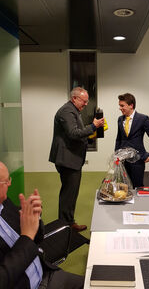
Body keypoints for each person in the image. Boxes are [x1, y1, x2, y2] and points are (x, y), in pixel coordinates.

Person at [0, 161, 84, 289]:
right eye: (6, 182)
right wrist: (27, 236)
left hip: (46, 274)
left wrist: (35, 218)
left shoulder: (4, 204)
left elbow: (38, 239)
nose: (10, 184)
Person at [49, 87, 104, 232]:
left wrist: (92, 132)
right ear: (74, 98)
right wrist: (93, 126)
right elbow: (73, 133)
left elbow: (77, 133)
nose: (86, 104)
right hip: (67, 160)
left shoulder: (73, 111)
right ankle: (64, 226)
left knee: (71, 193)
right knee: (68, 194)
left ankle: (69, 222)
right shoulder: (67, 111)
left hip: (72, 158)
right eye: (84, 101)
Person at [115, 93, 149, 188]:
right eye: (119, 105)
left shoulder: (143, 119)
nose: (120, 108)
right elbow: (118, 139)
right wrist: (116, 155)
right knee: (124, 187)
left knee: (138, 187)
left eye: (122, 106)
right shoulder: (120, 119)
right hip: (123, 160)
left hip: (138, 159)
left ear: (131, 105)